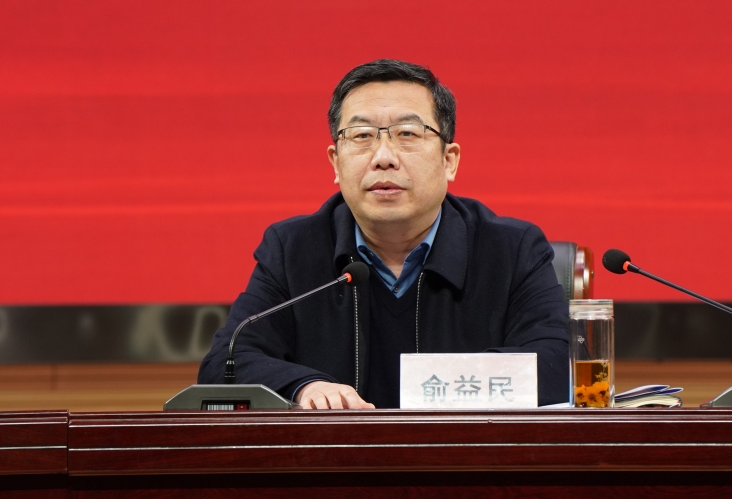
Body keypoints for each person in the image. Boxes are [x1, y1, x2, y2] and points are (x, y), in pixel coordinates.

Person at [198, 59, 569, 409]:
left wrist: (434, 388)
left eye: (407, 133)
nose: (383, 157)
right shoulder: (292, 250)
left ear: (449, 160)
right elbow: (225, 363)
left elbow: (557, 363)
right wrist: (304, 387)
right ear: (335, 163)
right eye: (361, 136)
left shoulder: (511, 250)